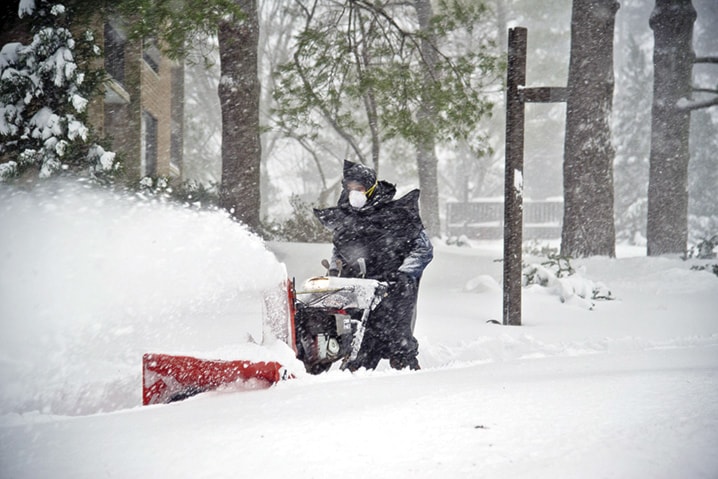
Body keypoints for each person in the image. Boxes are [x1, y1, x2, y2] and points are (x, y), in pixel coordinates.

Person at [314, 160, 433, 371]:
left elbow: (423, 249)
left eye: (358, 189)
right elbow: (339, 251)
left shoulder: (397, 215)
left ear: (370, 188)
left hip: (394, 293)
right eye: (350, 189)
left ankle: (410, 376)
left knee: (399, 345)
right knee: (359, 353)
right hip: (361, 295)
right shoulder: (347, 219)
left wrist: (402, 275)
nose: (354, 194)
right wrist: (335, 271)